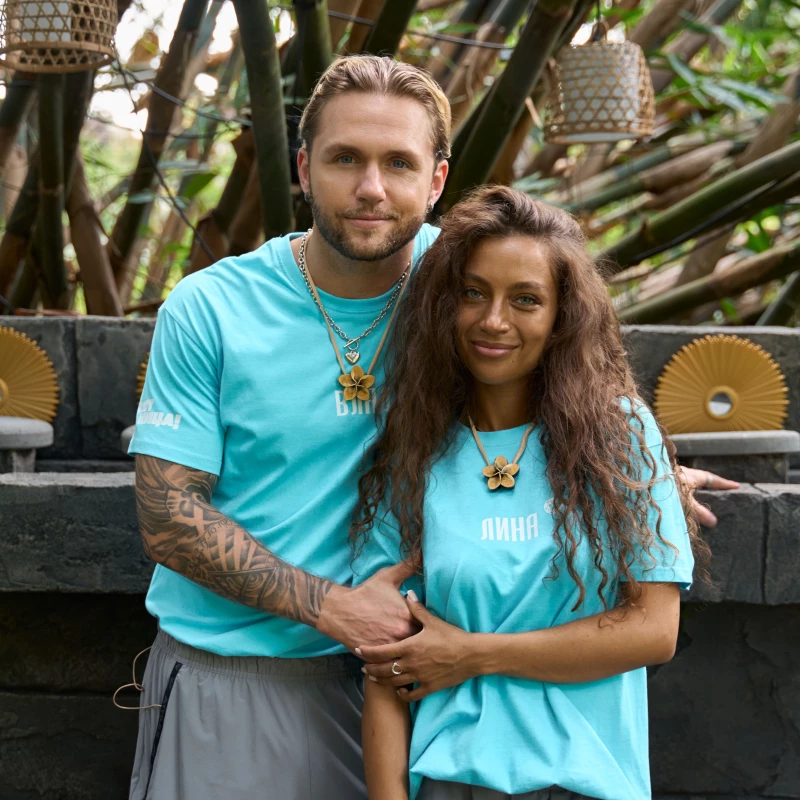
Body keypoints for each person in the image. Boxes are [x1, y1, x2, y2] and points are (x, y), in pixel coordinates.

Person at [124, 54, 735, 799]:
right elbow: (166, 513)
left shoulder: (466, 281)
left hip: (430, 700)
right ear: (304, 167)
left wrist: (628, 477)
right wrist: (334, 608)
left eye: (398, 162)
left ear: (437, 178)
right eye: (345, 158)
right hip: (249, 674)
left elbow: (566, 383)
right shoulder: (210, 308)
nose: (371, 187)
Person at [351, 185, 711, 800]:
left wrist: (473, 654)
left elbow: (653, 630)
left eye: (525, 299)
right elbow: (386, 671)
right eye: (474, 293)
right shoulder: (410, 453)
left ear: (561, 316)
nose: (494, 320)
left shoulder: (620, 436)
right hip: (453, 782)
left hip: (588, 783)